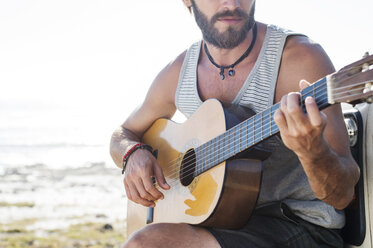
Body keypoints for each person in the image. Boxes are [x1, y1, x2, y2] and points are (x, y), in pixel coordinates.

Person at [110, 0, 360, 247]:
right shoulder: (179, 72)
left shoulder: (298, 59)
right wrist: (132, 153)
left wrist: (313, 151)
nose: (231, 3)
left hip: (297, 224)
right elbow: (123, 133)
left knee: (145, 244)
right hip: (217, 221)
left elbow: (343, 196)